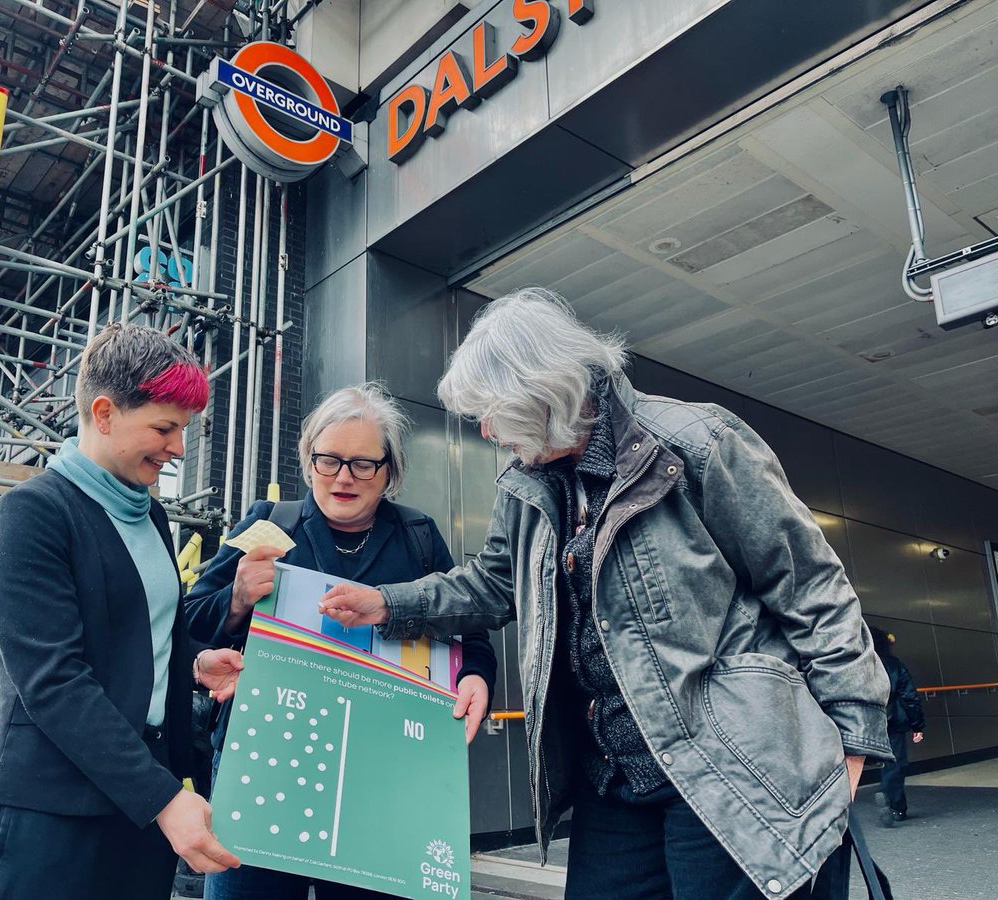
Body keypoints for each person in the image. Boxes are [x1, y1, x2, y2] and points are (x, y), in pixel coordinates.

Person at [320, 289, 894, 900]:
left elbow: (810, 585)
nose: (486, 431)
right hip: (612, 779)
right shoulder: (525, 485)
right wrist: (386, 604)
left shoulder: (697, 442)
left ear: (540, 392)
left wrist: (855, 737)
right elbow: (493, 583)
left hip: (727, 767)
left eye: (492, 411)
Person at [0, 324, 242, 900]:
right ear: (105, 413)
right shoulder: (31, 515)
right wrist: (162, 797)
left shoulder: (151, 517)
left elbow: (134, 636)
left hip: (134, 803)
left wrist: (192, 662)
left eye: (183, 430)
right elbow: (55, 680)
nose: (178, 448)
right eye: (164, 427)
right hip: (48, 814)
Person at [185, 382, 498, 900]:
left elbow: (468, 629)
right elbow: (191, 621)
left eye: (363, 464)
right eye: (329, 460)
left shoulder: (418, 537)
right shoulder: (268, 523)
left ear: (389, 471)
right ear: (309, 462)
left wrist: (475, 676)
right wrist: (237, 598)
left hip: (377, 777)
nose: (344, 477)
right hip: (264, 768)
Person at [870, 626, 925, 827]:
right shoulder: (893, 665)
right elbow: (909, 696)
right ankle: (893, 802)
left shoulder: (859, 664)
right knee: (896, 763)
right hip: (891, 721)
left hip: (865, 723)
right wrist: (917, 725)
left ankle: (898, 807)